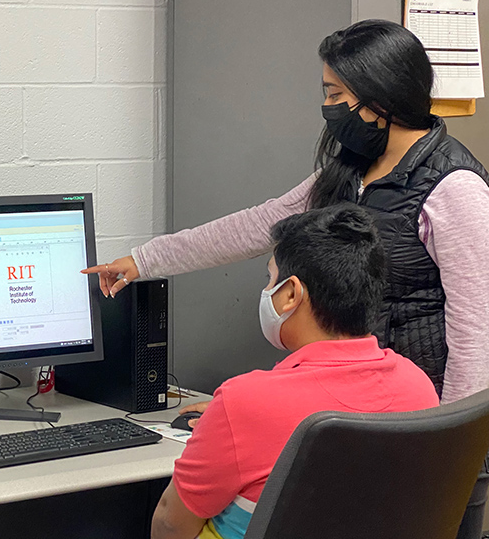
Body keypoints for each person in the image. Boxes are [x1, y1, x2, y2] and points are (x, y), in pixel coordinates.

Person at [85, 19, 489, 536]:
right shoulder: (351, 170)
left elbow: (475, 336)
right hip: (356, 426)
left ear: (379, 97)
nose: (328, 107)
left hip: (425, 432)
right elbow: (259, 225)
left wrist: (450, 452)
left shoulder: (453, 188)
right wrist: (145, 261)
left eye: (335, 93)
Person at [150, 205, 439, 539]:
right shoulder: (418, 386)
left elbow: (170, 523)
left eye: (270, 278)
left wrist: (227, 422)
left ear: (290, 294)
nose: (267, 289)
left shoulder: (243, 402)